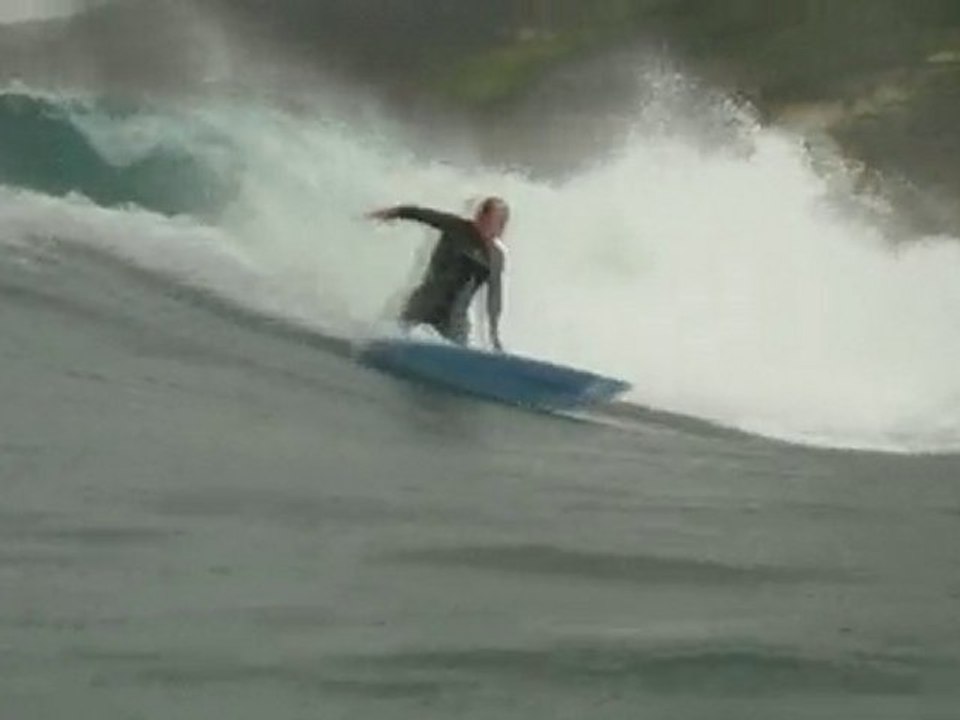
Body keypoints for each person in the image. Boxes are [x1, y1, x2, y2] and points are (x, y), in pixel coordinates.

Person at [366, 197, 509, 350]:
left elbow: (494, 298)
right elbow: (420, 214)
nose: (493, 229)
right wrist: (391, 213)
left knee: (458, 348)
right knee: (396, 334)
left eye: (499, 224)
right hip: (427, 302)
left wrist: (494, 335)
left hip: (454, 317)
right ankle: (374, 344)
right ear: (479, 217)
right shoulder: (456, 227)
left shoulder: (495, 257)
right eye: (489, 221)